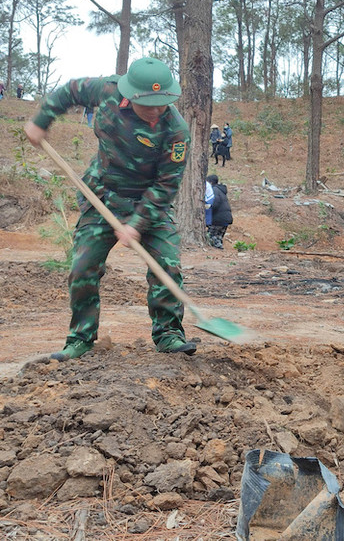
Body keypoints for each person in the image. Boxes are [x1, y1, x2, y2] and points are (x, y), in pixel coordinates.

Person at [23, 57, 197, 361]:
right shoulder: (106, 92)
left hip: (149, 203)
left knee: (168, 265)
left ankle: (168, 334)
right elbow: (68, 92)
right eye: (149, 104)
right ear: (130, 95)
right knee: (83, 268)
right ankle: (80, 339)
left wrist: (136, 224)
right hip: (100, 195)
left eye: (163, 103)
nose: (157, 111)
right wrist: (41, 122)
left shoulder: (176, 131)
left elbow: (167, 186)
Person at [206, 175, 233, 249]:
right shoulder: (220, 190)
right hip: (225, 219)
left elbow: (214, 204)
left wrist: (206, 210)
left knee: (212, 238)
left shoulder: (214, 190)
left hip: (218, 220)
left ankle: (217, 254)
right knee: (218, 239)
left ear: (210, 182)